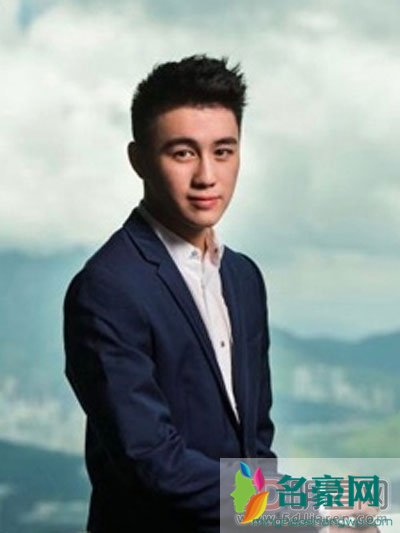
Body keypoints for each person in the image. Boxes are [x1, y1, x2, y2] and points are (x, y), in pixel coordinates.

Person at [63, 54, 276, 533]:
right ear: (139, 159)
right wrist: (296, 511)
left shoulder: (243, 277)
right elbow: (152, 461)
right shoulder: (107, 288)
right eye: (183, 153)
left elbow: (255, 442)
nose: (207, 176)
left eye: (223, 151)